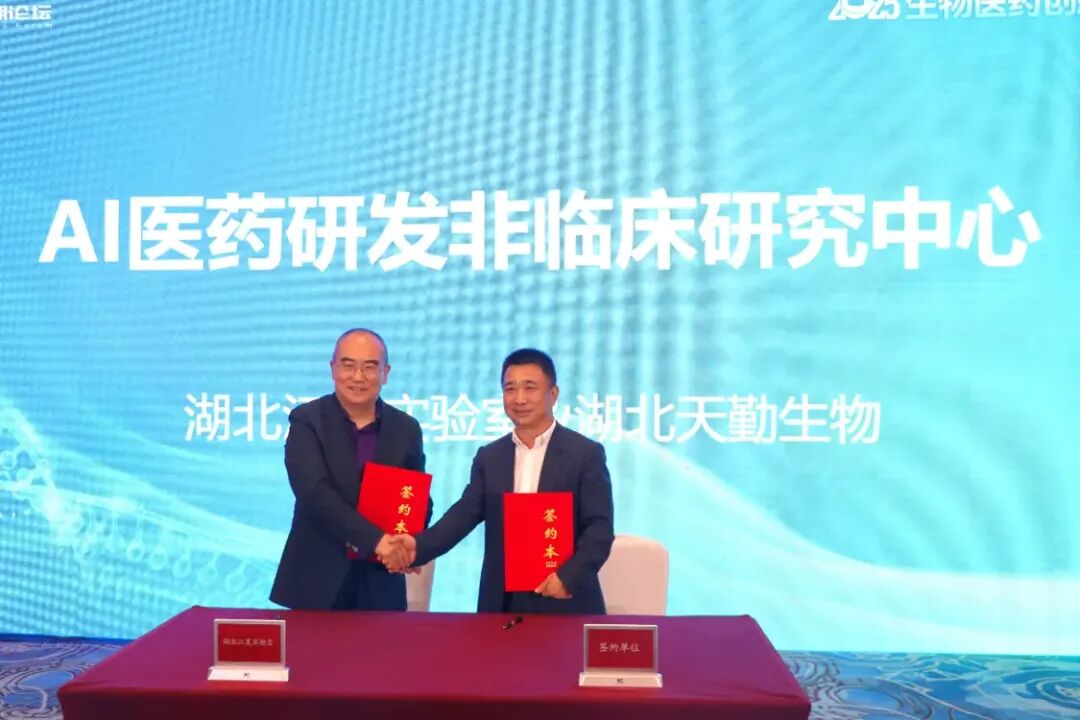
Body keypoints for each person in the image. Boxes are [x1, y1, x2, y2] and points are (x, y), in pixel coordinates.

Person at [391, 348, 614, 614]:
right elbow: (462, 516)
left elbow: (599, 528)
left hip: (566, 599)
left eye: (530, 388)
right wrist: (418, 547)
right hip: (502, 602)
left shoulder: (585, 454)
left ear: (553, 394)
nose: (519, 398)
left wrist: (568, 579)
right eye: (510, 389)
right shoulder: (490, 457)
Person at [270, 328, 429, 610]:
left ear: (386, 373)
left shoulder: (406, 428)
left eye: (370, 367)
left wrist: (410, 544)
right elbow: (313, 493)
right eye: (348, 365)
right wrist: (378, 541)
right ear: (333, 369)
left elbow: (416, 497)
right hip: (317, 579)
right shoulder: (307, 420)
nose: (358, 377)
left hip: (381, 581)